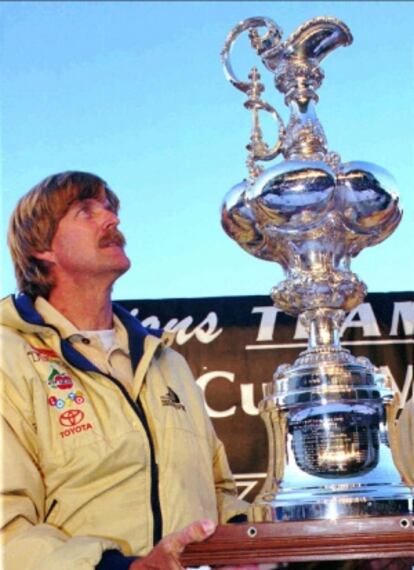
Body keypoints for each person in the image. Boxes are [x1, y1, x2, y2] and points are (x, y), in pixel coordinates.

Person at [0, 171, 254, 570]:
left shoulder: (168, 362)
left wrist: (252, 539)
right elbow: (7, 531)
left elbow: (216, 492)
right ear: (41, 247)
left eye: (110, 208)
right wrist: (128, 568)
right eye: (86, 211)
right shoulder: (7, 356)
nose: (112, 220)